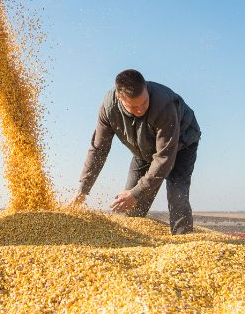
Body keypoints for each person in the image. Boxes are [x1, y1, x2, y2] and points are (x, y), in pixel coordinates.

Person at [71, 69, 201, 234]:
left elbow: (164, 159)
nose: (140, 110)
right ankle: (135, 241)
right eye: (133, 106)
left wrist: (137, 192)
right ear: (119, 98)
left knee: (177, 193)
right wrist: (83, 189)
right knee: (129, 204)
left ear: (146, 88)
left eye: (144, 103)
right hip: (144, 149)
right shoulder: (109, 108)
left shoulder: (165, 105)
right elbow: (98, 150)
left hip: (181, 145)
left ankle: (183, 240)